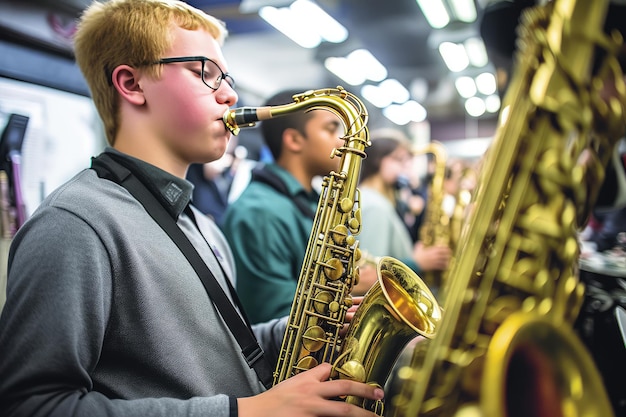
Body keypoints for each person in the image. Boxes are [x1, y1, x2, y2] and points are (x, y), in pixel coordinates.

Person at [0, 1, 384, 417]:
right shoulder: (75, 223)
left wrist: (298, 331)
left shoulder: (199, 222)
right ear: (132, 83)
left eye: (227, 76)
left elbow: (211, 352)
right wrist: (245, 412)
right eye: (206, 71)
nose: (231, 94)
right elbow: (32, 405)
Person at [221, 89, 378, 324]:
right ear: (294, 140)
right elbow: (274, 316)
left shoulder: (311, 200)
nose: (343, 140)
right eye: (331, 129)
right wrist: (346, 290)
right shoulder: (260, 212)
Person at [357, 129, 452, 281]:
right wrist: (416, 262)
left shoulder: (377, 200)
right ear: (377, 160)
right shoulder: (374, 206)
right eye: (398, 159)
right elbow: (369, 273)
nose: (405, 167)